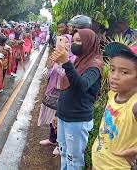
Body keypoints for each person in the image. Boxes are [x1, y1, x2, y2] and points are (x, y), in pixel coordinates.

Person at [50, 29, 104, 169]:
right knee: (63, 153)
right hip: (64, 116)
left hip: (77, 119)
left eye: (79, 41)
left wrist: (66, 63)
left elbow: (81, 86)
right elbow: (66, 88)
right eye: (73, 40)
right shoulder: (79, 60)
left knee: (74, 159)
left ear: (89, 43)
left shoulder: (94, 65)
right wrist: (57, 114)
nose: (75, 44)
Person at [92, 42, 137, 169]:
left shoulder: (134, 105)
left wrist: (132, 150)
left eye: (124, 72)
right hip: (99, 162)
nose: (114, 76)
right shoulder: (113, 94)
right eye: (112, 69)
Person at [38, 34, 75, 156]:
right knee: (52, 118)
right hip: (53, 91)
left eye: (66, 42)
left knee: (61, 120)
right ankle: (52, 139)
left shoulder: (74, 59)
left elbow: (65, 75)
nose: (63, 44)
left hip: (65, 93)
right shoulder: (55, 58)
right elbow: (43, 77)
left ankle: (60, 145)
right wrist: (50, 64)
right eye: (61, 41)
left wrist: (60, 62)